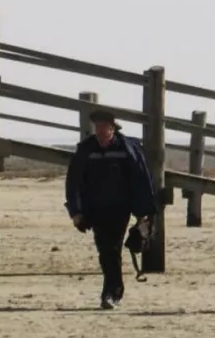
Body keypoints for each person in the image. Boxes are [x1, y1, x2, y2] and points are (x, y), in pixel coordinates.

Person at [65, 109, 158, 310]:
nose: (99, 130)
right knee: (105, 250)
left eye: (104, 127)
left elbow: (141, 179)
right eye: (97, 127)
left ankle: (111, 292)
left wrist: (143, 212)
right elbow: (73, 182)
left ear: (112, 128)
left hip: (119, 208)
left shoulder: (128, 149)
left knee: (112, 248)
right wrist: (75, 211)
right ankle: (113, 290)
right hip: (95, 209)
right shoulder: (86, 149)